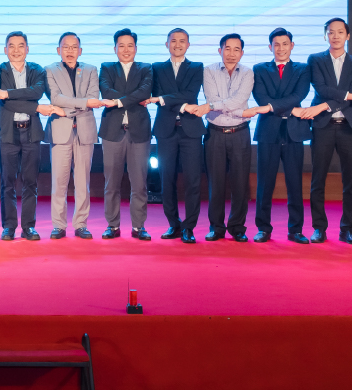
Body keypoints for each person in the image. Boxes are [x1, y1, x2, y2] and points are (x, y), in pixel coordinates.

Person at [304, 18, 352, 244]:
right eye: (331, 32)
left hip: (349, 127)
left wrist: (327, 104)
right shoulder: (315, 59)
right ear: (325, 36)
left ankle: (347, 229)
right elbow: (322, 89)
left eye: (340, 32)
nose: (335, 36)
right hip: (323, 126)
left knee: (350, 181)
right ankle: (319, 228)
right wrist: (350, 96)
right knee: (318, 179)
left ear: (347, 36)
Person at [251, 28, 312, 244]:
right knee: (264, 183)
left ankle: (295, 230)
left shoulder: (302, 69)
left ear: (292, 46)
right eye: (276, 44)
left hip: (294, 131)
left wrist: (274, 107)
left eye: (285, 44)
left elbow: (299, 95)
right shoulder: (259, 69)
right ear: (270, 47)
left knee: (295, 183)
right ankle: (263, 228)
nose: (281, 48)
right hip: (268, 130)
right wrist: (291, 109)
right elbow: (261, 98)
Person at [0, 31, 47, 242]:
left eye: (20, 46)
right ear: (5, 50)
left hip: (31, 132)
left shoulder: (37, 70)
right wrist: (35, 107)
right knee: (8, 182)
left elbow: (36, 92)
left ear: (27, 49)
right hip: (8, 132)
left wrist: (7, 93)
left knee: (30, 182)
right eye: (11, 46)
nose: (16, 50)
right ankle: (9, 227)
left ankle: (28, 226)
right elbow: (8, 103)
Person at [202, 34, 260, 241]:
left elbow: (239, 99)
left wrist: (213, 107)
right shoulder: (208, 71)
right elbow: (212, 98)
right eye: (228, 48)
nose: (232, 53)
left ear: (242, 53)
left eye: (237, 49)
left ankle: (237, 227)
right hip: (215, 134)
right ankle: (216, 227)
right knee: (215, 184)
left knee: (240, 184)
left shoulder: (248, 73)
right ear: (220, 50)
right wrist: (240, 111)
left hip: (240, 133)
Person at [150, 28, 205, 243]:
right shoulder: (157, 68)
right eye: (173, 41)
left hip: (191, 130)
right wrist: (178, 104)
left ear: (188, 45)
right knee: (167, 179)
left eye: (182, 41)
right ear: (167, 44)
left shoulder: (197, 67)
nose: (178, 44)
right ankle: (173, 224)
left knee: (192, 180)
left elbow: (191, 94)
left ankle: (189, 227)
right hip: (166, 130)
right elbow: (156, 96)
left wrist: (165, 99)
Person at [44, 32, 101, 240]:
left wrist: (70, 106)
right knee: (59, 181)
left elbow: (93, 97)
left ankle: (81, 224)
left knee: (82, 181)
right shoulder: (49, 70)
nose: (70, 51)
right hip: (61, 129)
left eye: (74, 47)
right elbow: (55, 98)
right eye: (65, 47)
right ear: (58, 50)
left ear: (80, 50)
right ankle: (58, 225)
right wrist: (83, 104)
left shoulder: (91, 70)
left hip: (85, 128)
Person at [98, 29, 154, 240]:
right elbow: (106, 92)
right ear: (115, 49)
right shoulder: (107, 68)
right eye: (121, 45)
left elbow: (145, 92)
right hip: (112, 131)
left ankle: (139, 226)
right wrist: (132, 98)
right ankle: (112, 225)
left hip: (139, 131)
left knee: (139, 183)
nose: (126, 49)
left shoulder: (146, 68)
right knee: (111, 183)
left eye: (130, 45)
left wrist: (119, 101)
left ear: (136, 48)